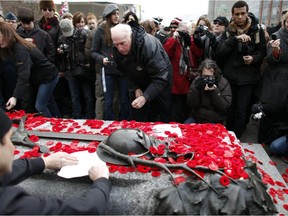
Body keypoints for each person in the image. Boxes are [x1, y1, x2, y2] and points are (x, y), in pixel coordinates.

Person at [0, 109, 111, 214]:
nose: (13, 148)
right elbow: (86, 210)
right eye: (9, 140)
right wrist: (101, 181)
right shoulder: (9, 205)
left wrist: (44, 162)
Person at [217, 0, 266, 138]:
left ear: (247, 13)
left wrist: (253, 58)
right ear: (232, 15)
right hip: (231, 77)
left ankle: (237, 137)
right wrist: (235, 39)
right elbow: (220, 52)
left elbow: (262, 52)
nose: (240, 17)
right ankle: (228, 135)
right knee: (230, 108)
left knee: (242, 110)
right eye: (237, 14)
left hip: (248, 77)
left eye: (242, 13)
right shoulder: (228, 32)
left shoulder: (257, 30)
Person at [110, 23, 172, 123]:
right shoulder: (117, 51)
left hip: (160, 79)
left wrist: (146, 96)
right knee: (139, 115)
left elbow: (160, 76)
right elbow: (123, 72)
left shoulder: (148, 46)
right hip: (139, 79)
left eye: (123, 43)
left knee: (162, 114)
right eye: (116, 44)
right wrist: (135, 87)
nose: (120, 48)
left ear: (130, 36)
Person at [0, 22, 60, 118]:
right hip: (40, 77)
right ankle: (58, 119)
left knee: (40, 105)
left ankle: (51, 126)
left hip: (48, 77)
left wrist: (15, 96)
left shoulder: (20, 49)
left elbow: (24, 74)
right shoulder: (9, 48)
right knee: (49, 102)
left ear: (7, 35)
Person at [91, 4, 130, 121]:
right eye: (114, 14)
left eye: (118, 13)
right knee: (108, 99)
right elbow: (93, 52)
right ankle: (109, 123)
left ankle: (124, 123)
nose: (117, 16)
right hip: (107, 70)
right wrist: (102, 59)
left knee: (124, 99)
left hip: (122, 69)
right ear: (108, 16)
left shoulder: (122, 28)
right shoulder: (100, 30)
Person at [255, 11, 288, 144]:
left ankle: (276, 141)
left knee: (283, 113)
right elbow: (269, 59)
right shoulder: (276, 35)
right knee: (268, 111)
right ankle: (262, 142)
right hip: (275, 79)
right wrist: (276, 52)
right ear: (284, 22)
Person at [163, 21, 203, 123]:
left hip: (188, 80)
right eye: (182, 31)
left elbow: (198, 53)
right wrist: (174, 38)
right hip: (176, 82)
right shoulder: (174, 41)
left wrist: (190, 41)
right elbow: (165, 52)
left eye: (186, 31)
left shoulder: (190, 41)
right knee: (175, 111)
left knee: (186, 110)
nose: (184, 33)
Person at [57, 14, 94, 119]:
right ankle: (77, 115)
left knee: (88, 96)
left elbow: (88, 51)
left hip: (82, 69)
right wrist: (60, 51)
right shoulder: (62, 38)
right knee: (74, 96)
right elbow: (60, 52)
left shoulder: (83, 34)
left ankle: (90, 115)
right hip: (69, 70)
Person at [185, 59, 232, 124]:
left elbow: (224, 106)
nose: (206, 79)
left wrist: (214, 91)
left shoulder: (223, 83)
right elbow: (191, 104)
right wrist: (197, 89)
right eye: (204, 76)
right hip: (197, 117)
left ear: (215, 74)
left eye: (209, 76)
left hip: (215, 119)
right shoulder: (197, 81)